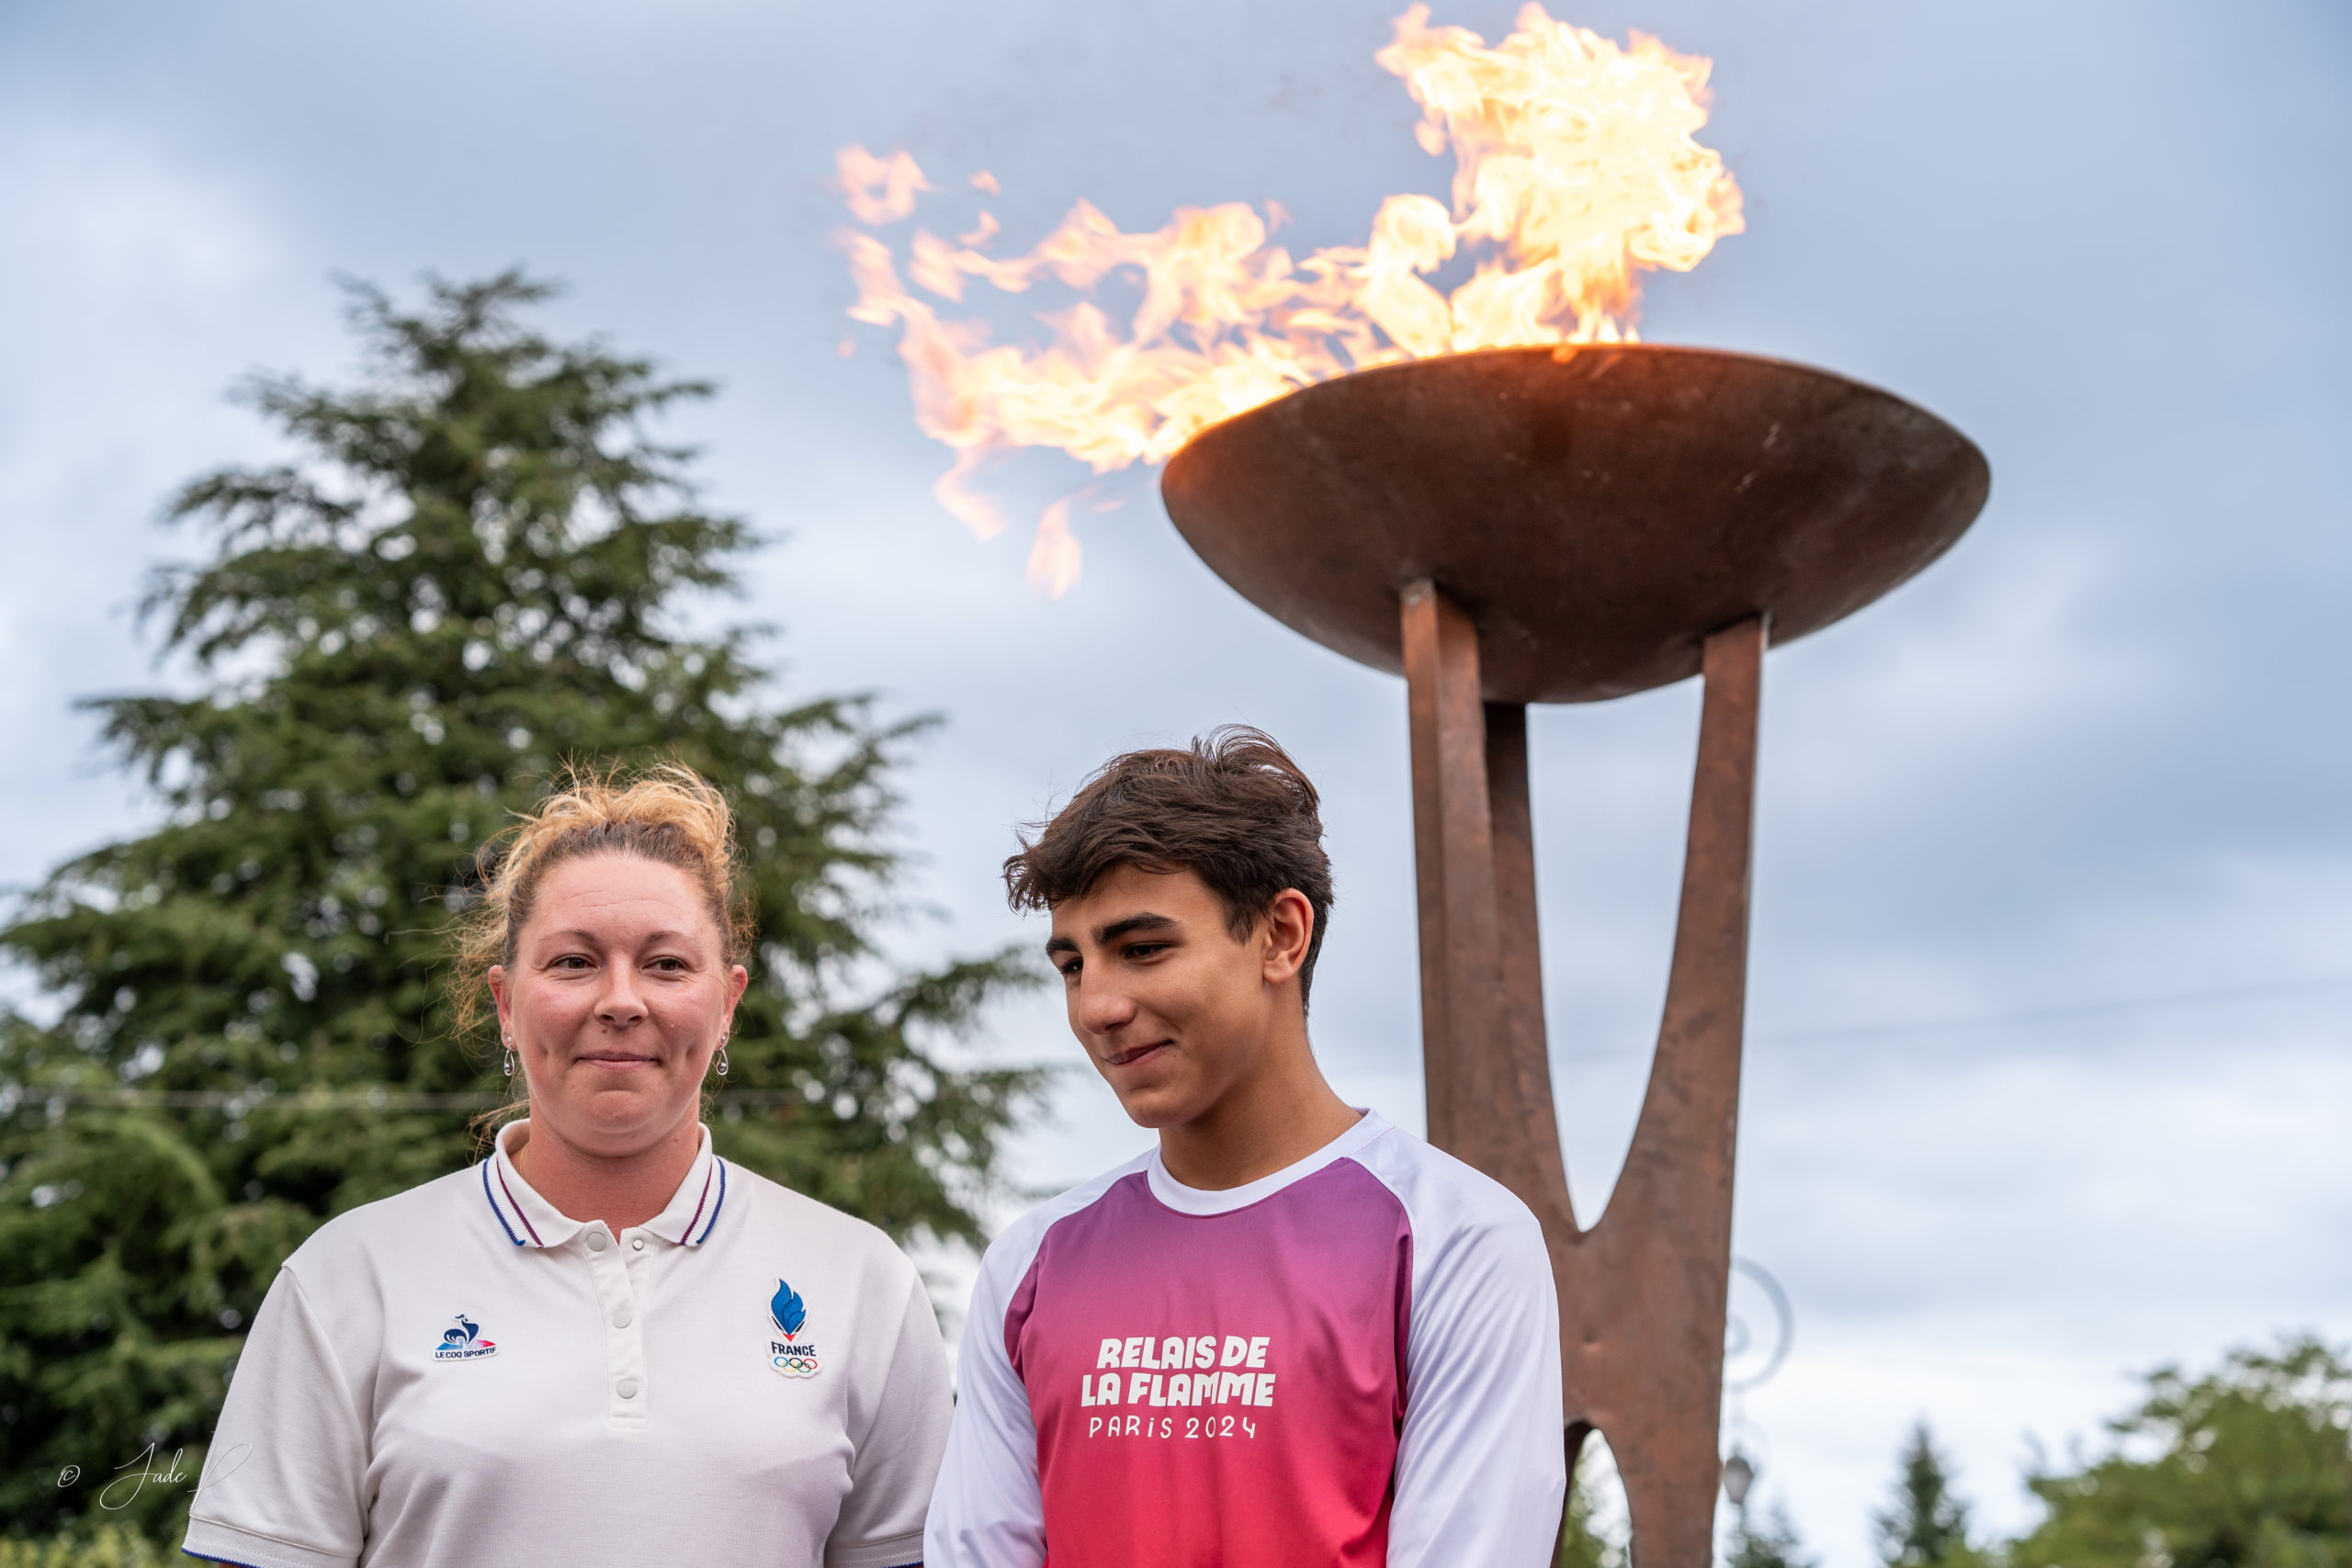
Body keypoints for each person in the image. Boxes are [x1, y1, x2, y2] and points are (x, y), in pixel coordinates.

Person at [185, 766, 948, 1568]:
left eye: (666, 964)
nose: (620, 1000)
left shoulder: (862, 1282)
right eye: (574, 962)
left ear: (727, 1004)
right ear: (506, 1004)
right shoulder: (347, 1276)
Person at [924, 728, 1564, 1568]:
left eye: (1142, 949)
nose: (1096, 1007)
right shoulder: (1029, 1264)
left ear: (1281, 936)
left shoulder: (1461, 1240)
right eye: (1072, 966)